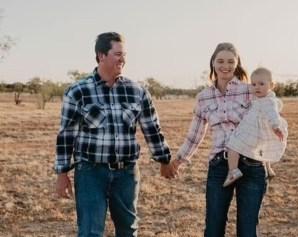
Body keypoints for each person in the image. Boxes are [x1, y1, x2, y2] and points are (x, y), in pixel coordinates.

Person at [54, 32, 175, 237]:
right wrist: (62, 173)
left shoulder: (137, 91)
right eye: (117, 54)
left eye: (124, 54)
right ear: (101, 55)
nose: (123, 59)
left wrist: (164, 160)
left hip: (126, 173)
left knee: (128, 230)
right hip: (90, 173)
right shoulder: (78, 91)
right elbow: (66, 135)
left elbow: (152, 128)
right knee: (91, 231)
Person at [172, 42, 267, 237]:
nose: (226, 66)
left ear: (237, 63)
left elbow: (267, 117)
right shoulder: (204, 97)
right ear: (213, 63)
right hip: (219, 166)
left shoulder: (250, 90)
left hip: (251, 164)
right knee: (213, 229)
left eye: (231, 61)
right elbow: (195, 134)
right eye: (221, 61)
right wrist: (178, 161)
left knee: (247, 230)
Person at [223, 67, 288, 187]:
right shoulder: (259, 98)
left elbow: (273, 115)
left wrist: (276, 127)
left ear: (272, 85)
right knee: (263, 149)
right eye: (254, 84)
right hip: (257, 132)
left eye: (261, 84)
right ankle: (268, 169)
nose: (257, 87)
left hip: (252, 132)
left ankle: (233, 171)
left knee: (233, 145)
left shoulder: (269, 102)